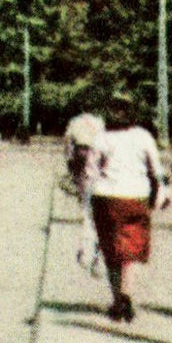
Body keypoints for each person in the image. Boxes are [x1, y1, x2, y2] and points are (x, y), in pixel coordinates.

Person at [89, 93, 169, 322]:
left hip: (106, 198)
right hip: (136, 198)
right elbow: (157, 170)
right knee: (130, 251)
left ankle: (116, 300)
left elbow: (91, 173)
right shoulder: (144, 137)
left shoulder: (101, 138)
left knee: (111, 249)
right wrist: (161, 194)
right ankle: (126, 293)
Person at [64, 111, 105, 277]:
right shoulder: (101, 121)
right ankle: (98, 257)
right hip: (100, 168)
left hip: (82, 161)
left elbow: (68, 143)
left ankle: (86, 252)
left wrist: (69, 164)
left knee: (86, 208)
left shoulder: (75, 121)